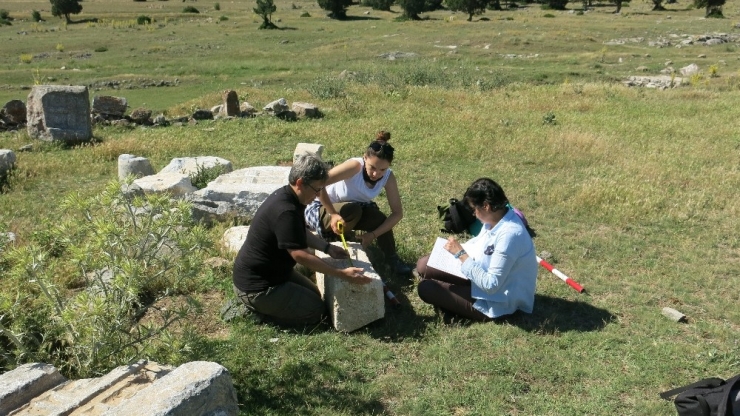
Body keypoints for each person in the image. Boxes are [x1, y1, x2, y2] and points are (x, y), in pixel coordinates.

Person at [233, 153, 372, 326]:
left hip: (276, 275)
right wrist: (341, 274)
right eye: (316, 189)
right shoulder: (286, 211)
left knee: (315, 296)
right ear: (300, 183)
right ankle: (259, 313)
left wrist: (327, 248)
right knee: (316, 313)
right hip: (258, 288)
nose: (318, 195)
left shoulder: (291, 198)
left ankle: (268, 306)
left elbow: (300, 232)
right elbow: (299, 255)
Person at [415, 178, 538, 322]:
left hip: (498, 301)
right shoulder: (495, 220)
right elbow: (478, 246)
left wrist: (461, 254)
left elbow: (491, 285)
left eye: (474, 209)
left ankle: (464, 307)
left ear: (485, 206)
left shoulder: (510, 235)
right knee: (423, 265)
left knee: (426, 288)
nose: (474, 214)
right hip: (478, 275)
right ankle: (454, 294)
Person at [304, 131, 412, 275]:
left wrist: (372, 235)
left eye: (382, 169)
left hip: (353, 209)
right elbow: (319, 184)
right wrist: (333, 214)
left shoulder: (388, 177)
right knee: (353, 210)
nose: (376, 174)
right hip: (321, 206)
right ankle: (339, 240)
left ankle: (392, 259)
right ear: (365, 158)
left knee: (378, 218)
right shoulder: (354, 167)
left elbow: (397, 213)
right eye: (372, 167)